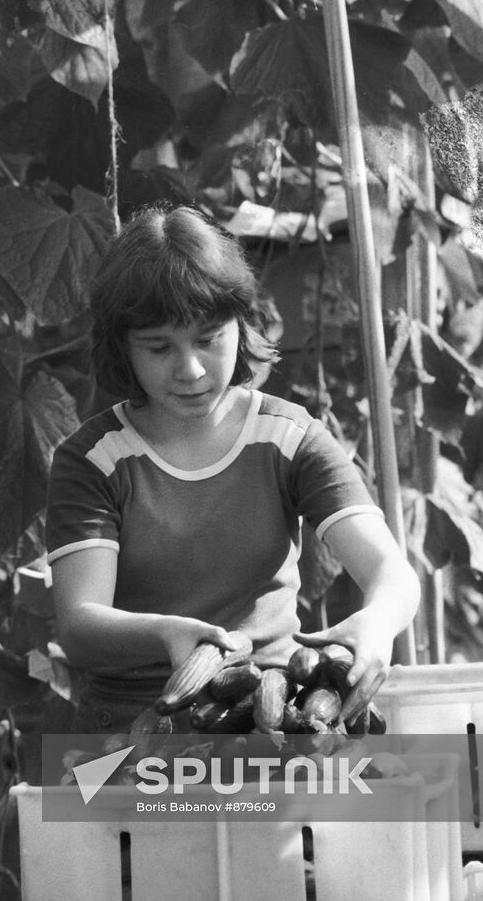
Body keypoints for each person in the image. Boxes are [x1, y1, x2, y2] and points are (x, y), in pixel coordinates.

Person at [45, 204, 421, 735]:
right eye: (159, 347)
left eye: (208, 338)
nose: (191, 369)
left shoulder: (289, 438)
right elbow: (79, 624)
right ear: (121, 348)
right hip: (125, 726)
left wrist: (377, 624)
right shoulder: (92, 461)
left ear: (240, 326)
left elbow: (392, 573)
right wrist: (165, 634)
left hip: (273, 722)